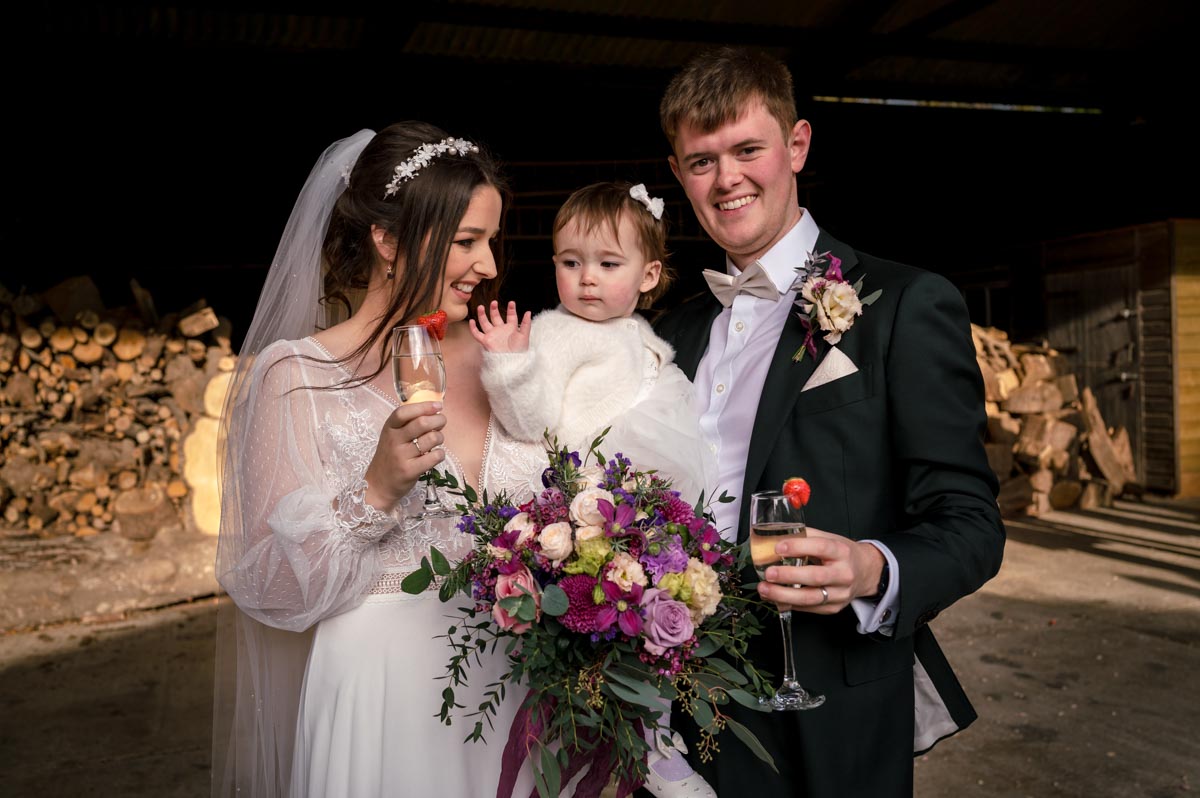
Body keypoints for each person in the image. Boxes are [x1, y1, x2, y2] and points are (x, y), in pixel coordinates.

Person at [651, 47, 1006, 797]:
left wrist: (874, 568)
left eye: (748, 149)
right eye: (701, 160)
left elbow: (970, 524)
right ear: (680, 174)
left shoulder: (903, 305)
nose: (727, 179)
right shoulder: (669, 333)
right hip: (676, 707)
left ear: (797, 145)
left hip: (828, 706)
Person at [210, 122, 548, 797]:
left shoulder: (505, 362)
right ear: (388, 240)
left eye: (491, 240)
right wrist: (375, 493)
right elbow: (270, 591)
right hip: (385, 700)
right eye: (466, 242)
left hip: (520, 694)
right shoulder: (294, 377)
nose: (487, 266)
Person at [469, 180, 716, 798]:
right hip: (588, 499)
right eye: (570, 263)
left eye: (608, 264)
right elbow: (529, 418)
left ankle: (652, 735)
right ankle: (639, 745)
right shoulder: (555, 333)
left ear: (648, 274)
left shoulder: (640, 334)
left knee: (656, 617)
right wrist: (508, 362)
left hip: (639, 500)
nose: (586, 280)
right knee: (612, 624)